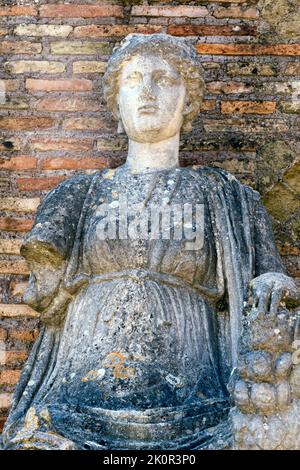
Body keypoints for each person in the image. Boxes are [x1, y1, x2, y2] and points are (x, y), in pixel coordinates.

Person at [2, 34, 298, 450]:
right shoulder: (78, 195)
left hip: (199, 403)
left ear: (188, 100)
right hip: (76, 399)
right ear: (116, 102)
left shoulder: (228, 197)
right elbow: (46, 297)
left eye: (164, 79)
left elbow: (273, 279)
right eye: (134, 79)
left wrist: (273, 286)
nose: (148, 92)